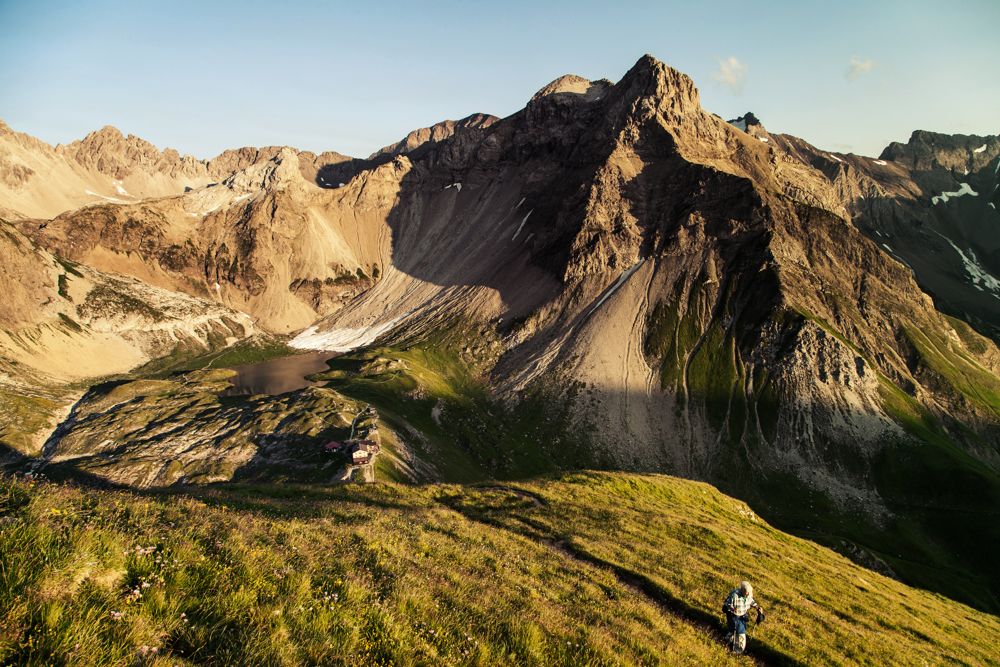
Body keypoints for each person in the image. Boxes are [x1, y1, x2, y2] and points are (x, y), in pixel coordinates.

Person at [722, 580, 764, 654]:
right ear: (742, 590)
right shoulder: (734, 595)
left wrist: (758, 608)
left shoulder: (748, 595)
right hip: (733, 616)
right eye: (746, 592)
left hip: (742, 615)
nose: (748, 594)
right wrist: (729, 608)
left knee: (733, 630)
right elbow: (726, 605)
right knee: (741, 632)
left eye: (749, 593)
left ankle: (726, 640)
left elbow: (751, 601)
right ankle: (738, 651)